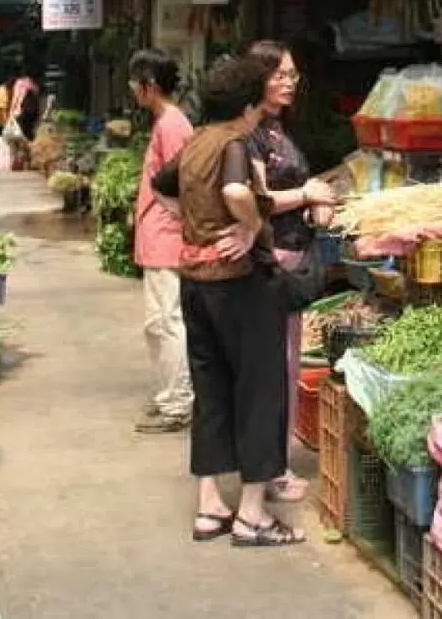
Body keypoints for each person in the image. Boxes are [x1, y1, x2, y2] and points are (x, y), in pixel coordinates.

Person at [152, 56, 303, 547]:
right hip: (242, 284)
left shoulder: (197, 141)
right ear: (246, 102)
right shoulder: (235, 142)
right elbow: (237, 188)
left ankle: (209, 507)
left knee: (211, 391)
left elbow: (162, 187)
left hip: (197, 282)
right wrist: (249, 225)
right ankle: (252, 516)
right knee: (259, 391)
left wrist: (197, 228)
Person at [244, 40, 337, 503]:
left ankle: (273, 462)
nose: (288, 83)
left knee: (285, 364)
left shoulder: (280, 128)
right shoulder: (253, 133)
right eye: (279, 75)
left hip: (293, 252)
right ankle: (270, 470)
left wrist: (316, 204)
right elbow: (257, 200)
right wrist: (308, 195)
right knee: (272, 368)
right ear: (257, 78)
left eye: (293, 75)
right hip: (271, 259)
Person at [129, 50, 195, 434]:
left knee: (165, 321)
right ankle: (170, 396)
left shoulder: (171, 125)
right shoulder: (169, 122)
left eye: (135, 84)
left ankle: (176, 404)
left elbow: (183, 186)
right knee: (162, 321)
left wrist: (173, 219)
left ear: (149, 86)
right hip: (160, 238)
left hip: (166, 240)